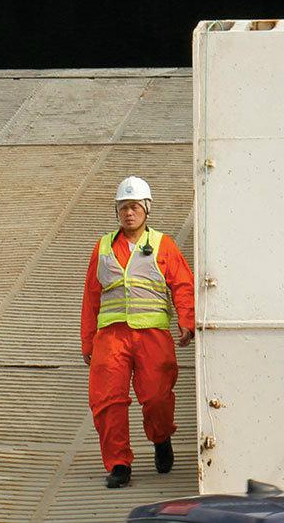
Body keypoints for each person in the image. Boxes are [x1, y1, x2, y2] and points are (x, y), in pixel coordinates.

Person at [81, 175, 195, 489]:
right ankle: (119, 464)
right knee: (107, 402)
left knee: (157, 397)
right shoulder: (103, 247)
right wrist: (87, 340)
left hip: (152, 336)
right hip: (111, 338)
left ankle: (161, 438)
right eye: (123, 207)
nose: (128, 213)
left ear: (146, 209)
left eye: (134, 207)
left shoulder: (163, 245)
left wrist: (187, 319)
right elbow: (91, 295)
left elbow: (183, 285)